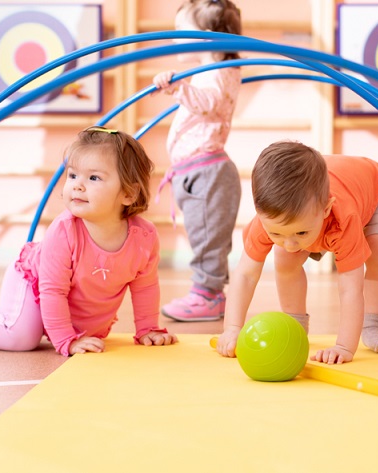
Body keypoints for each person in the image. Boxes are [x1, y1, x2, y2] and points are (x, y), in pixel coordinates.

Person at [0, 126, 178, 356]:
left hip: (69, 305)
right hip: (33, 282)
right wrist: (66, 341)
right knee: (21, 338)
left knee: (83, 332)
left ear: (128, 195)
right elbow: (52, 292)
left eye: (93, 177)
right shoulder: (64, 230)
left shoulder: (144, 238)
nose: (78, 185)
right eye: (73, 175)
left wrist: (148, 329)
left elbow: (145, 287)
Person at [215, 140, 378, 364]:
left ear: (326, 210)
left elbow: (350, 287)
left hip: (372, 193)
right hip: (328, 192)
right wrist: (232, 328)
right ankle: (296, 323)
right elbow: (245, 275)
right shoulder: (265, 223)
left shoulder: (343, 219)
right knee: (284, 257)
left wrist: (344, 347)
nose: (290, 244)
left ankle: (373, 324)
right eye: (277, 234)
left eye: (300, 233)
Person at [152, 0, 243, 322]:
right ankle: (209, 293)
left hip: (208, 173)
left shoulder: (219, 72)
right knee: (202, 236)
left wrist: (177, 86)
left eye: (181, 31)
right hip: (194, 172)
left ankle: (208, 296)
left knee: (208, 240)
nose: (175, 38)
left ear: (206, 36)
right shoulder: (209, 73)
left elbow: (209, 103)